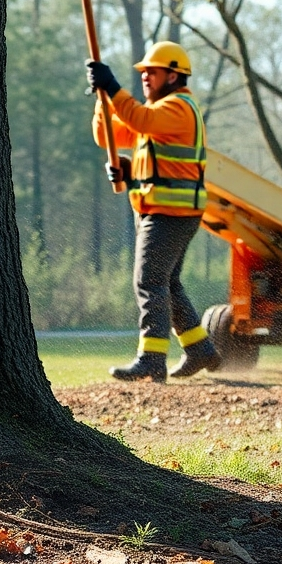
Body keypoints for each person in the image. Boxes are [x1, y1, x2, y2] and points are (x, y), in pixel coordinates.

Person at [86, 42, 220, 382]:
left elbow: (138, 118)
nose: (145, 76)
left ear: (173, 75)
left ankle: (151, 360)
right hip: (159, 210)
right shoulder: (156, 113)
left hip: (170, 214)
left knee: (148, 281)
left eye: (152, 71)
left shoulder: (177, 107)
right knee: (167, 283)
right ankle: (200, 349)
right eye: (142, 72)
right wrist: (103, 100)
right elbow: (108, 135)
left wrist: (113, 86)